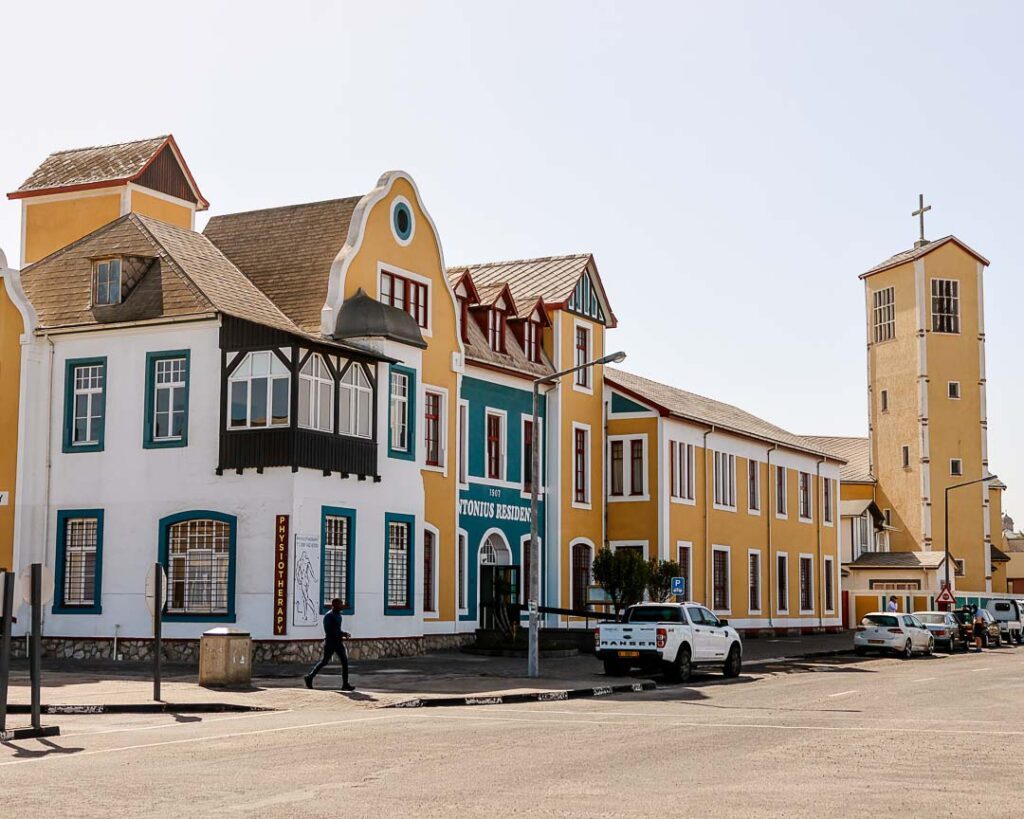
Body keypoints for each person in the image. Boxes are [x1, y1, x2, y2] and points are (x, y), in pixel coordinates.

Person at [304, 598, 354, 690]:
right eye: (340, 604)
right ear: (334, 605)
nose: (342, 606)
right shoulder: (329, 616)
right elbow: (330, 631)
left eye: (342, 604)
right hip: (330, 642)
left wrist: (344, 634)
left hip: (338, 642)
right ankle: (309, 677)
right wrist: (342, 634)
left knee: (345, 662)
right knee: (324, 661)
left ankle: (345, 684)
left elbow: (337, 630)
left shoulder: (338, 615)